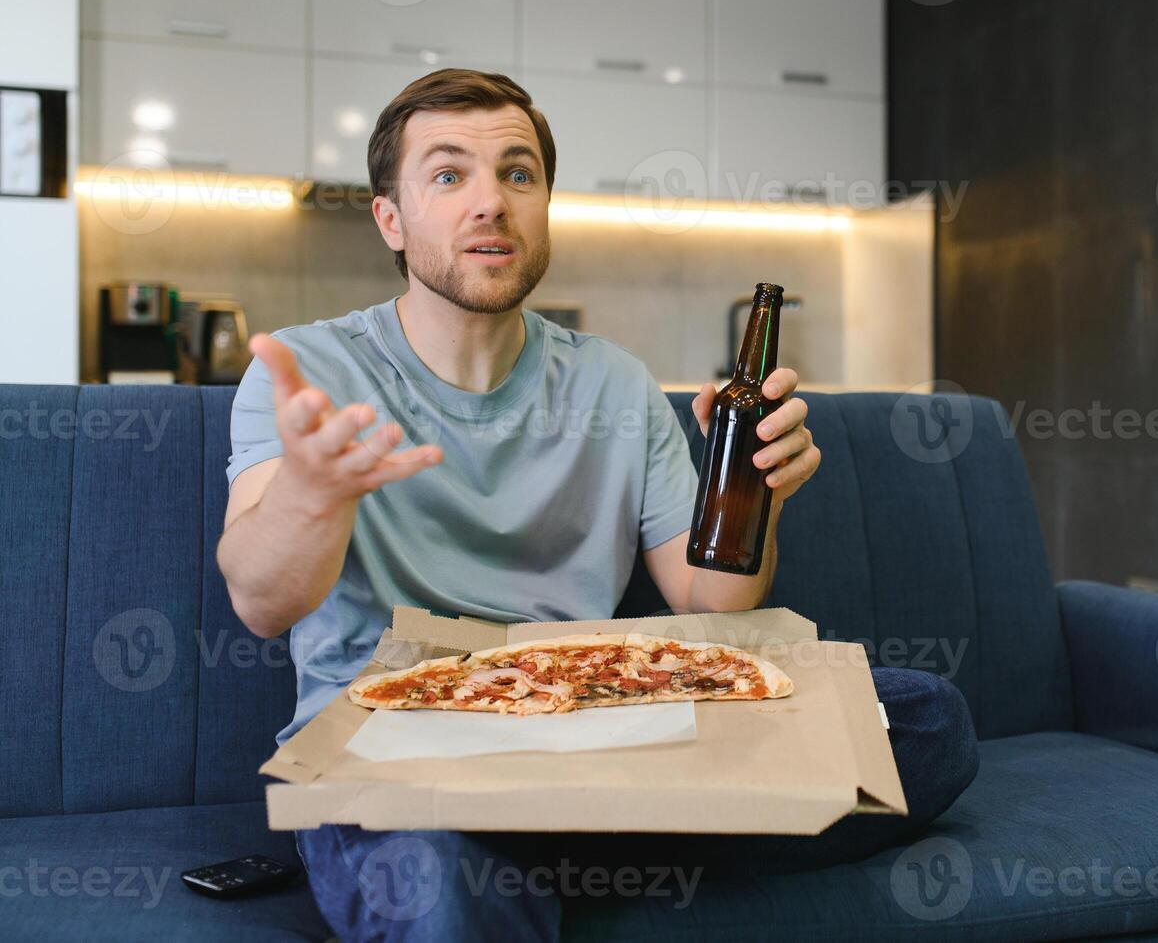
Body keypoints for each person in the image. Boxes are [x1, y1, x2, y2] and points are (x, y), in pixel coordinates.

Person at [217, 68, 978, 942]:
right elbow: (262, 602)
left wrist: (755, 496)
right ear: (390, 217)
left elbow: (712, 607)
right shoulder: (311, 369)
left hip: (594, 725)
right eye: (446, 174)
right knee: (440, 893)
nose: (489, 203)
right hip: (393, 741)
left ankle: (543, 853)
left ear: (544, 203)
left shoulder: (613, 381)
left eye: (517, 173)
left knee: (924, 719)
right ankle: (579, 854)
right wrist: (313, 494)